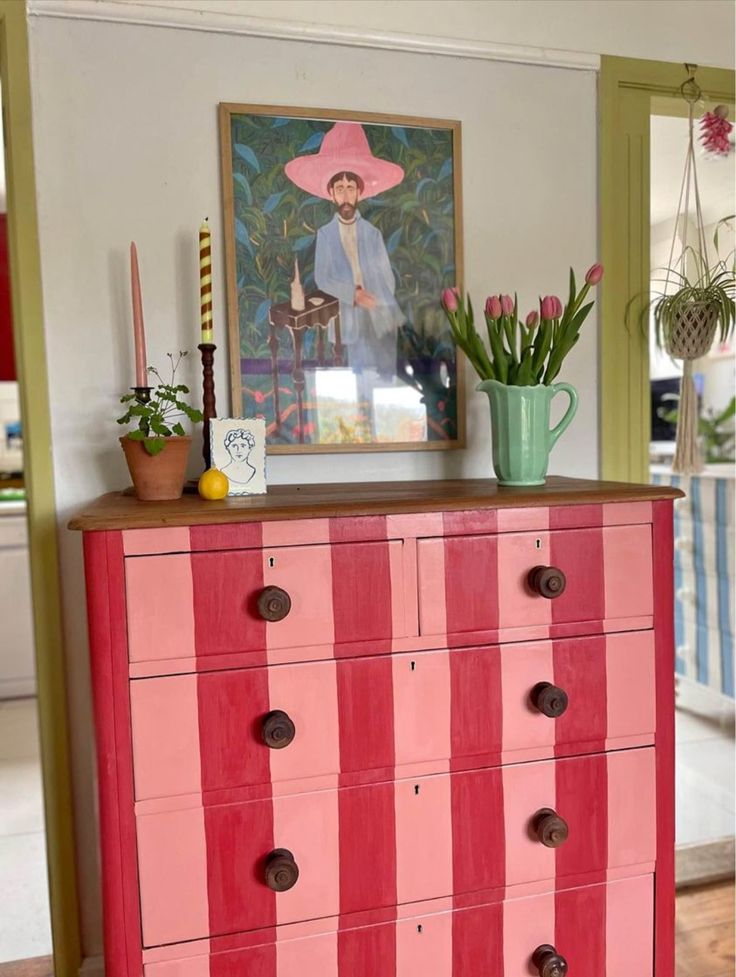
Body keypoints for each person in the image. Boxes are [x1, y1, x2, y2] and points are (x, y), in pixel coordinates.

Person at [285, 122, 406, 376]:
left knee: (386, 378)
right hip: (348, 317)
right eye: (339, 189)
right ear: (331, 194)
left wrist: (378, 301)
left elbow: (387, 277)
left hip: (380, 313)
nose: (345, 194)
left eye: (350, 188)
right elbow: (323, 278)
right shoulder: (326, 235)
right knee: (356, 377)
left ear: (359, 192)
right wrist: (354, 295)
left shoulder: (373, 234)